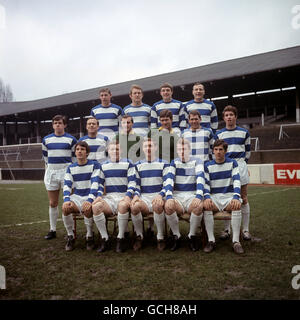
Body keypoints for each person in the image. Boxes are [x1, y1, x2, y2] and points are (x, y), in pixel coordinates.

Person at [92, 141, 136, 253]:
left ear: (121, 151)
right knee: (96, 207)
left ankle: (120, 238)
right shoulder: (103, 166)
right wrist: (99, 196)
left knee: (122, 206)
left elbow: (132, 182)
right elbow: (100, 184)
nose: (115, 151)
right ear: (108, 151)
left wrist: (128, 196)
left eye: (117, 149)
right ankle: (105, 238)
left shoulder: (128, 164)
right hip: (110, 198)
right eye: (112, 149)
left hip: (123, 197)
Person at [216, 105, 251, 241]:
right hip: (225, 166)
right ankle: (226, 229)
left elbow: (248, 152)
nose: (229, 117)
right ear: (224, 118)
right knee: (226, 197)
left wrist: (243, 164)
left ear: (235, 116)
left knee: (244, 198)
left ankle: (246, 230)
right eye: (226, 115)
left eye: (231, 115)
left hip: (240, 165)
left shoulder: (244, 132)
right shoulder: (219, 134)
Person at [203, 139, 244, 254]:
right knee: (206, 206)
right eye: (216, 149)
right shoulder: (207, 165)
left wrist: (236, 196)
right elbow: (205, 184)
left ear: (225, 151)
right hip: (214, 198)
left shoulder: (232, 163)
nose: (218, 152)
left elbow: (237, 180)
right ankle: (211, 240)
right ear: (213, 151)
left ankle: (236, 242)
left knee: (236, 205)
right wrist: (206, 197)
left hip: (229, 197)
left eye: (221, 149)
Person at [164, 138, 205, 251]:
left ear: (189, 150)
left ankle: (191, 236)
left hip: (192, 196)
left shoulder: (197, 161)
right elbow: (169, 180)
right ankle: (177, 236)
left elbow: (200, 179)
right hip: (178, 197)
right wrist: (169, 197)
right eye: (179, 149)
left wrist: (198, 196)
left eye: (184, 149)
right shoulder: (174, 162)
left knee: (199, 206)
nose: (182, 151)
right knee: (168, 206)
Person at [130, 138, 169, 251]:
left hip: (159, 196)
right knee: (134, 206)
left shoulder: (164, 163)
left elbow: (167, 183)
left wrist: (161, 195)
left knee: (157, 206)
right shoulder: (137, 165)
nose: (148, 149)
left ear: (156, 148)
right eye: (146, 146)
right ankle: (139, 236)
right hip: (145, 197)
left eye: (151, 146)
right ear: (143, 148)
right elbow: (136, 184)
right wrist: (136, 195)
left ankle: (160, 237)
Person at [42, 115, 77, 240]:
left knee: (68, 203)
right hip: (52, 172)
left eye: (60, 123)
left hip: (66, 173)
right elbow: (46, 158)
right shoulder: (46, 140)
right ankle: (53, 230)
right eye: (55, 123)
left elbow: (74, 158)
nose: (57, 125)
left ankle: (71, 231)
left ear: (65, 125)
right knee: (53, 202)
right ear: (52, 125)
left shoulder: (71, 140)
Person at [62, 141, 100, 251]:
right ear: (75, 152)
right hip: (77, 196)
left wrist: (89, 200)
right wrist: (66, 199)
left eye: (82, 149)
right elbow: (67, 185)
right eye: (77, 149)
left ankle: (89, 235)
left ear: (87, 153)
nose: (79, 151)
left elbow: (95, 184)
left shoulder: (94, 165)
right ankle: (71, 236)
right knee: (65, 208)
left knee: (87, 208)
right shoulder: (70, 168)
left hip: (90, 196)